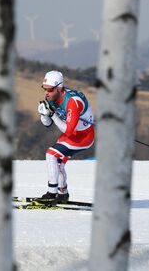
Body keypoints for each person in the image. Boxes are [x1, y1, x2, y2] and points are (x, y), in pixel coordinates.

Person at [37, 70, 94, 204]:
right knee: (57, 163)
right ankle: (62, 194)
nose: (46, 93)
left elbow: (68, 131)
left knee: (51, 154)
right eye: (44, 89)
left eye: (49, 90)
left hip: (84, 136)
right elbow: (47, 124)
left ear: (59, 87)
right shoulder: (52, 97)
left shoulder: (72, 102)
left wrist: (52, 115)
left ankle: (52, 193)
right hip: (72, 135)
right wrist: (44, 114)